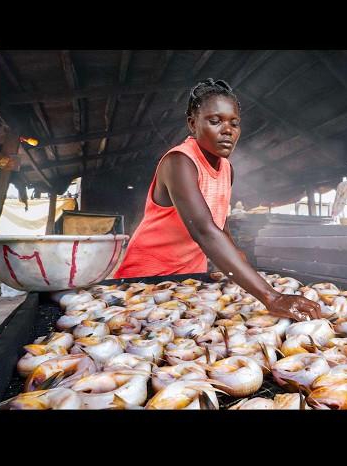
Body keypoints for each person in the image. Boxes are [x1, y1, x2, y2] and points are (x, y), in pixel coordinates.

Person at [114, 78, 320, 321]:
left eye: (234, 123)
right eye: (215, 121)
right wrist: (271, 297)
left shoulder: (226, 169)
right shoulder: (179, 162)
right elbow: (205, 231)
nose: (228, 131)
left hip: (189, 280)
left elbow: (222, 229)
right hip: (147, 280)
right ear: (193, 124)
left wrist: (250, 278)